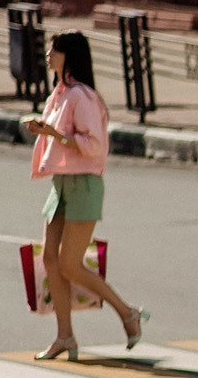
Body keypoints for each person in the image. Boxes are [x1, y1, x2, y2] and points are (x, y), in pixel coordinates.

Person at [23, 32, 148, 360]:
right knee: (50, 260)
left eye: (54, 50)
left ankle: (127, 312)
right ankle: (65, 337)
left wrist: (51, 132)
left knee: (69, 264)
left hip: (84, 185)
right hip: (62, 184)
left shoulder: (83, 96)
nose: (48, 55)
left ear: (69, 56)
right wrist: (44, 129)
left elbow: (93, 145)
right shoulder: (60, 94)